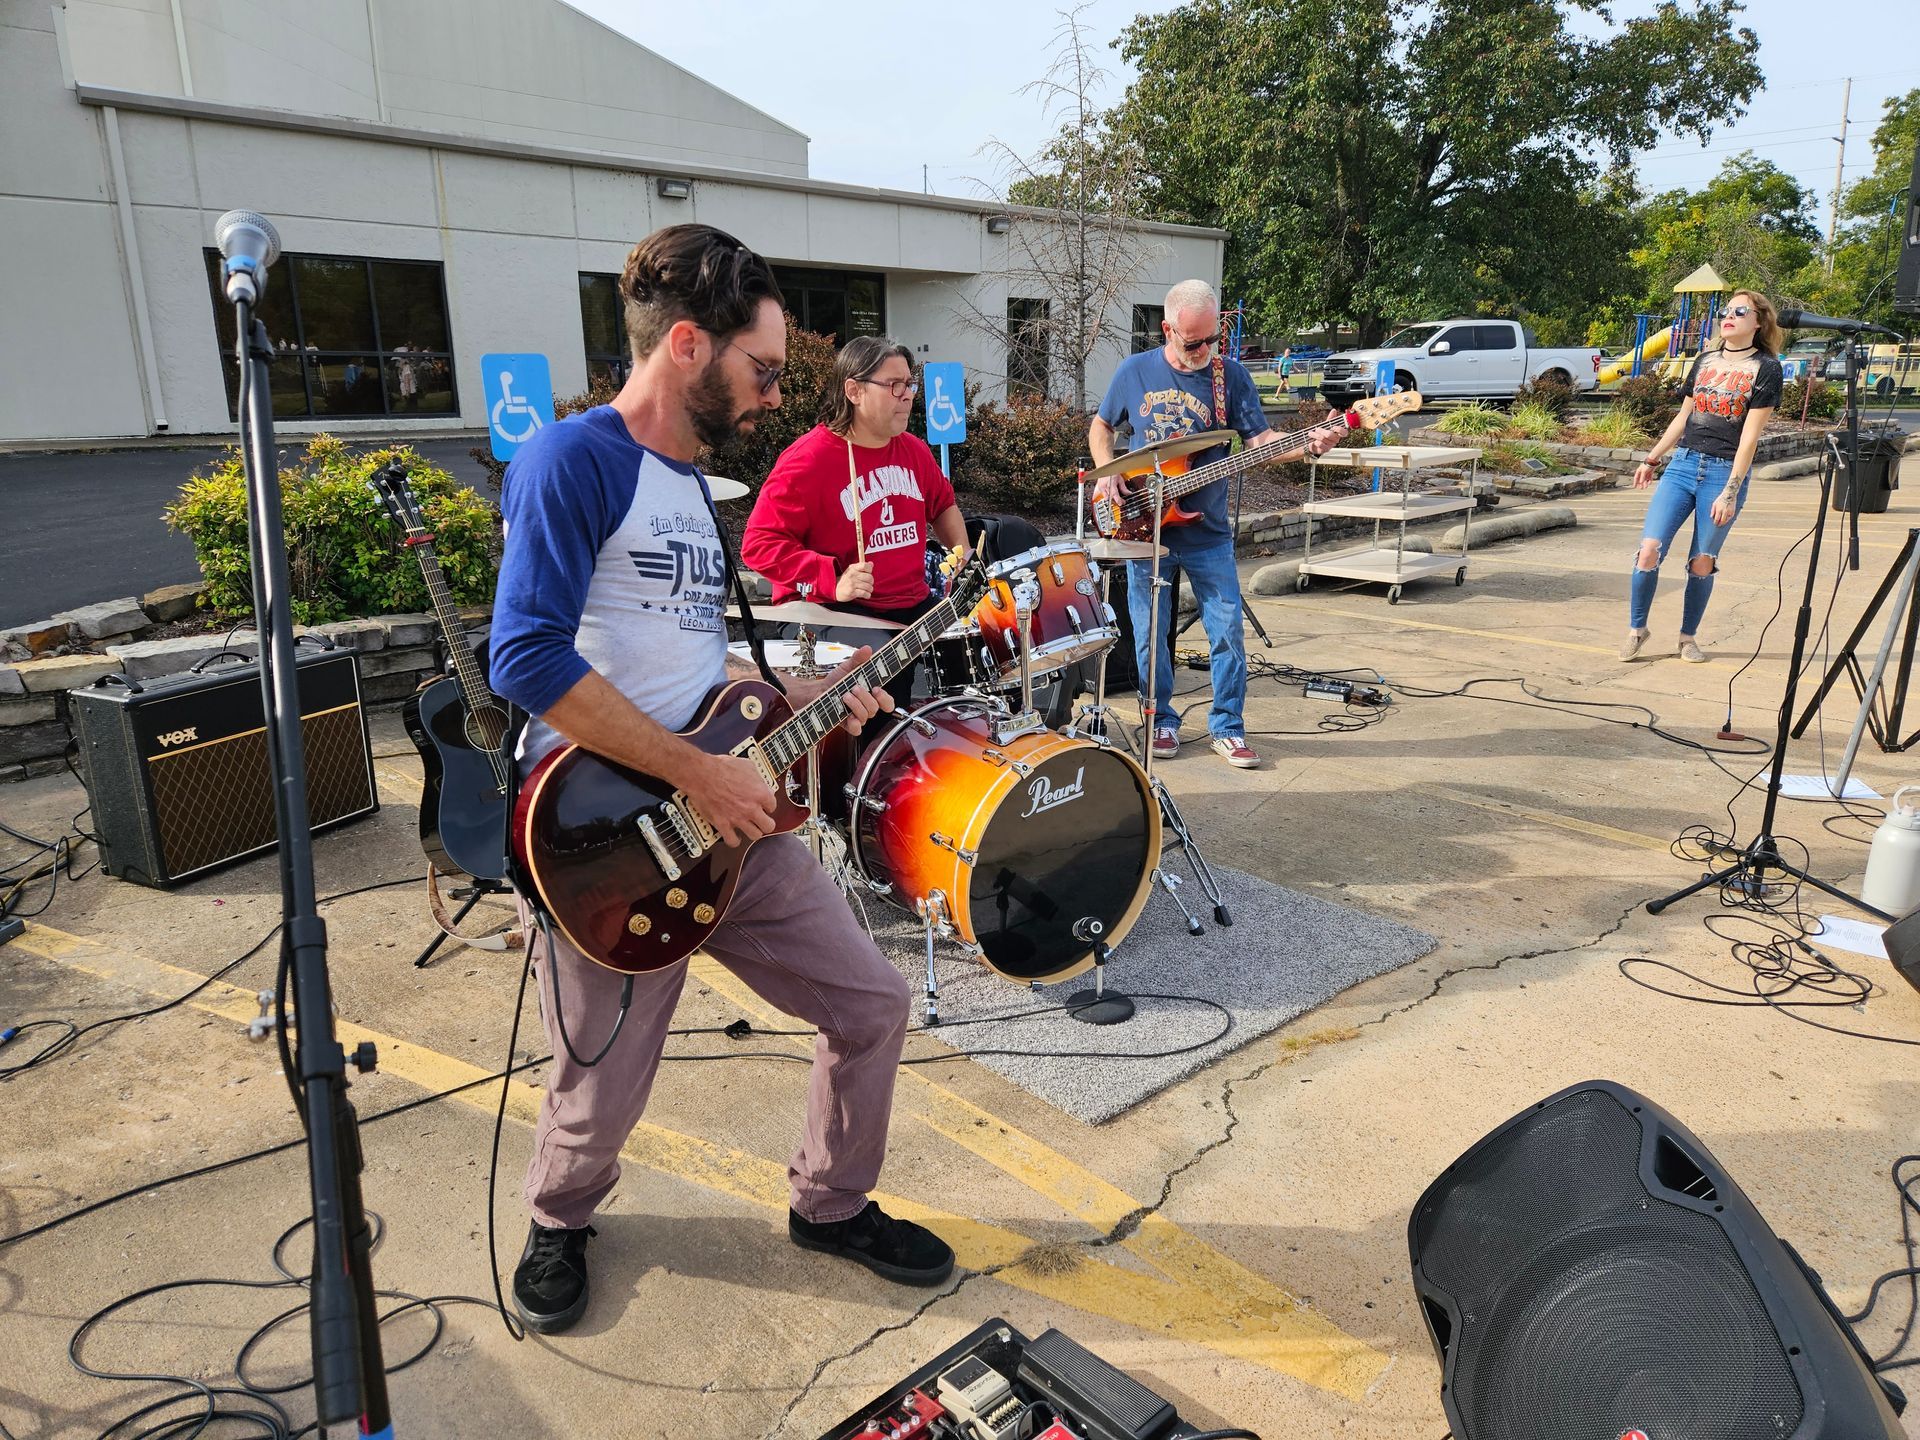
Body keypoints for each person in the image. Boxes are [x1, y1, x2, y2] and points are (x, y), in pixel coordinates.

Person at [488, 224, 955, 1336]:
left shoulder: (694, 487)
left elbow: (691, 670)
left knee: (872, 1005)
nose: (775, 396)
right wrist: (699, 772)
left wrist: (799, 696)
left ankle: (831, 1204)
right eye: (764, 369)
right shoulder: (573, 460)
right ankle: (559, 1219)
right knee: (601, 1081)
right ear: (689, 345)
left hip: (732, 821)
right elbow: (526, 657)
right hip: (605, 836)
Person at [1089, 280, 1337, 768]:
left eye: (1211, 339)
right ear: (1167, 330)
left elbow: (1260, 441)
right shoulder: (1134, 371)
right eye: (1193, 342)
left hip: (1208, 534)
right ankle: (1160, 720)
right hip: (1145, 530)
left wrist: (1308, 446)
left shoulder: (1231, 377)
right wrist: (1107, 471)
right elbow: (1102, 425)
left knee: (1226, 633)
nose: (1204, 350)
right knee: (1149, 635)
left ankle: (1228, 727)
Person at [742, 336, 971, 713]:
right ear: (854, 391)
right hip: (834, 611)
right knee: (881, 666)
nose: (907, 395)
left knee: (982, 636)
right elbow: (758, 545)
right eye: (893, 385)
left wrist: (961, 553)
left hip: (911, 603)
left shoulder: (913, 450)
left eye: (909, 384)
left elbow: (943, 504)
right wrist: (833, 578)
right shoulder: (807, 461)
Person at [1623, 289, 1783, 663]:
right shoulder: (1705, 360)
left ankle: (1687, 638)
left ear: (1758, 321)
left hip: (1723, 472)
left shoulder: (1767, 368)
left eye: (1740, 311)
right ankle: (1637, 630)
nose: (1729, 316)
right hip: (1682, 466)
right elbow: (1684, 416)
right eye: (1727, 310)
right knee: (1648, 551)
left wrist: (1730, 491)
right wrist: (1652, 459)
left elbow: (1750, 437)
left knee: (1702, 560)